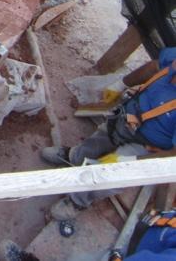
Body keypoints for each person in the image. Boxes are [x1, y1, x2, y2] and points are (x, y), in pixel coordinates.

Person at [40, 47, 176, 221]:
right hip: (128, 116)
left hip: (148, 145)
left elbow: (173, 156)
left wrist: (130, 163)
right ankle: (74, 157)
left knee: (112, 176)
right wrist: (121, 84)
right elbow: (154, 67)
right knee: (100, 139)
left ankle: (78, 200)